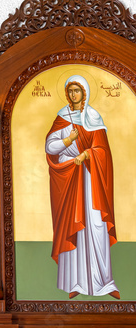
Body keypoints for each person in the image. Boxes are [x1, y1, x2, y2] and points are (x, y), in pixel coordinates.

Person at [45, 74, 119, 299]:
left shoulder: (93, 117)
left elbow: (103, 152)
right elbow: (50, 147)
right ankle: (74, 283)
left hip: (92, 179)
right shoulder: (62, 117)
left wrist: (87, 153)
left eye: (77, 90)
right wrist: (68, 141)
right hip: (70, 180)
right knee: (72, 225)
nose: (73, 94)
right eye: (70, 90)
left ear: (85, 93)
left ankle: (105, 283)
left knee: (96, 227)